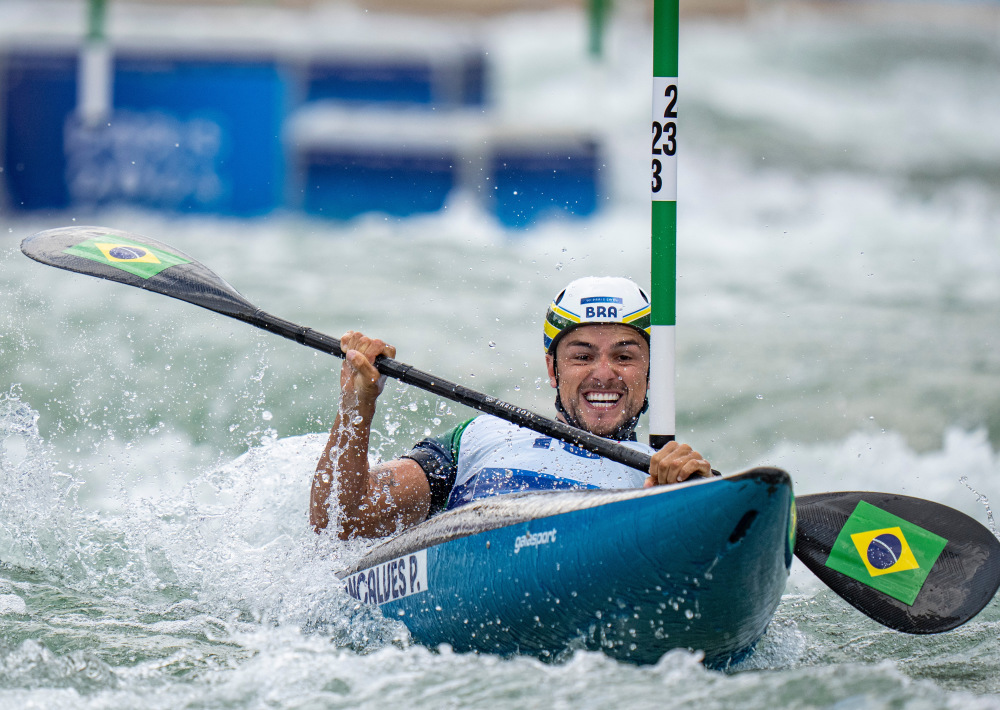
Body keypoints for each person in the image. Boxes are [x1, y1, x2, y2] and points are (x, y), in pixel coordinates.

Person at [311, 276, 714, 539]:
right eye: (582, 356)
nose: (604, 374)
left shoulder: (673, 478)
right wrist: (356, 408)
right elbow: (340, 522)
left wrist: (689, 505)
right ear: (552, 370)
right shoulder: (481, 437)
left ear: (652, 370)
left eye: (624, 357)